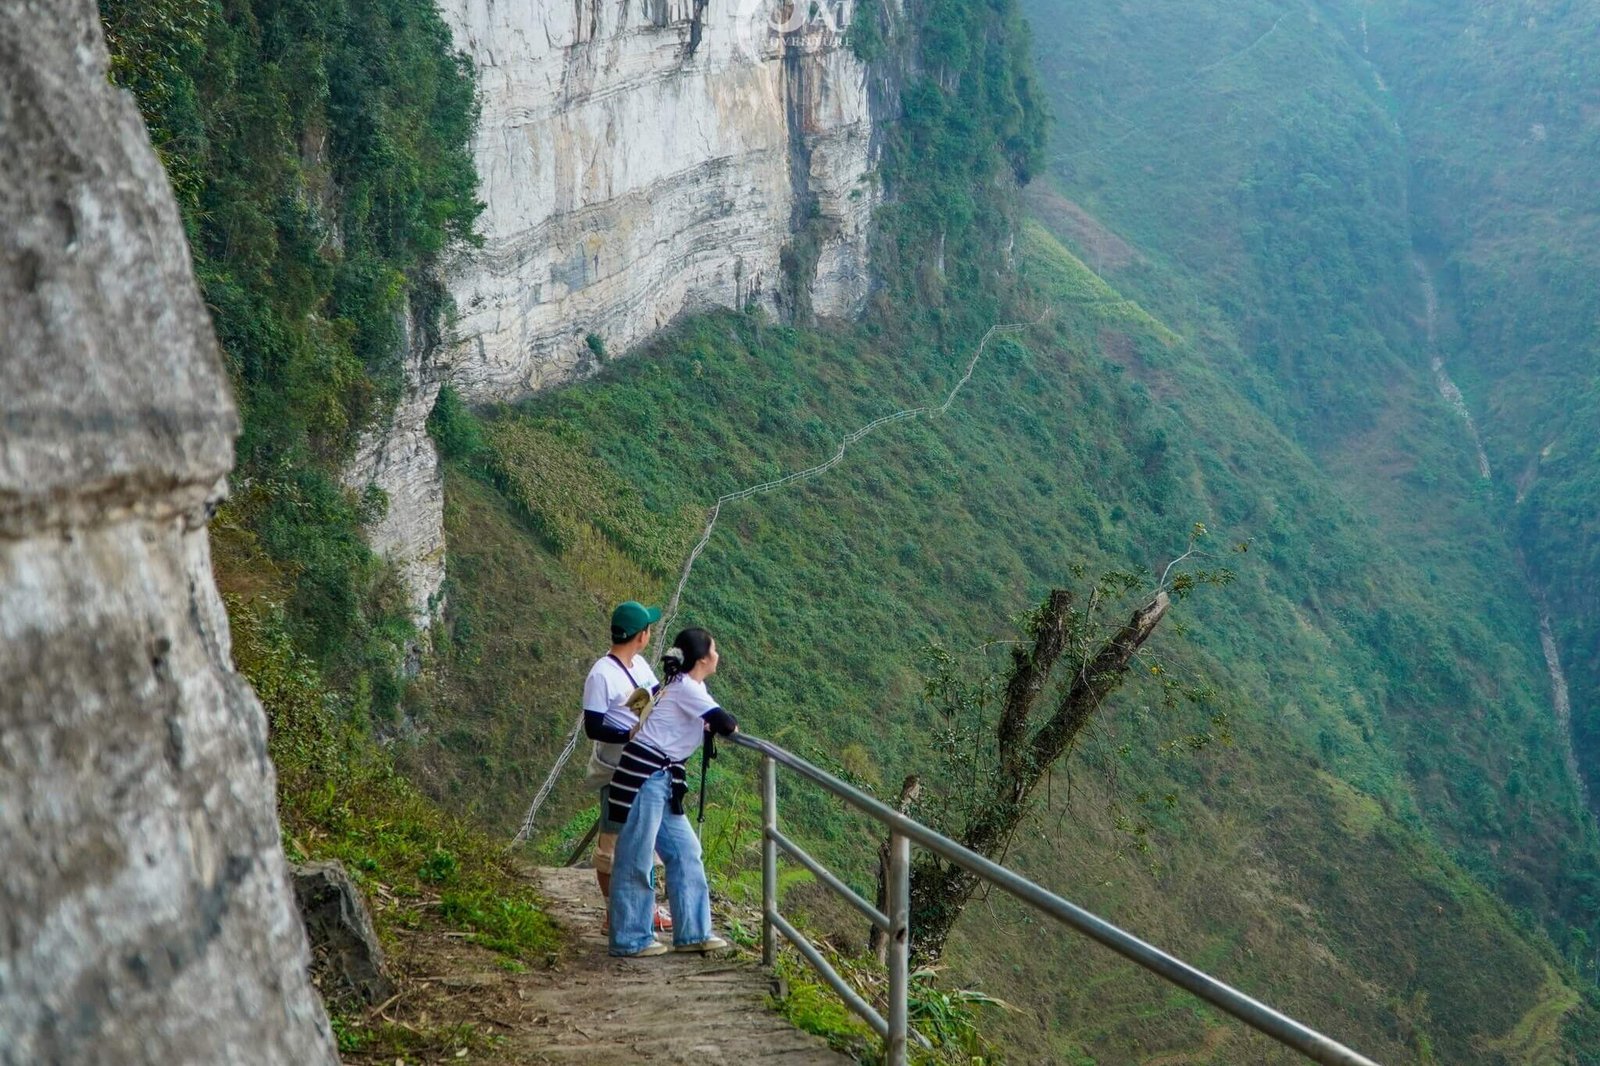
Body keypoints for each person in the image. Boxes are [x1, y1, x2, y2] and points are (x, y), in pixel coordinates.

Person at [607, 627, 738, 957]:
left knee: (686, 852)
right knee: (636, 855)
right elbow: (725, 722)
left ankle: (693, 932)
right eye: (715, 650)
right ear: (703, 658)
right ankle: (629, 939)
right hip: (644, 776)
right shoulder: (686, 689)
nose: (718, 655)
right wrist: (716, 724)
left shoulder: (686, 686)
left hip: (662, 778)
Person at [581, 600, 671, 933]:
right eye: (648, 628)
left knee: (644, 842)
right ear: (641, 635)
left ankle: (644, 910)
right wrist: (627, 733)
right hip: (617, 770)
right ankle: (614, 913)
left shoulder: (640, 667)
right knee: (611, 844)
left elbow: (658, 697)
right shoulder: (601, 674)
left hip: (645, 765)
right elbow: (593, 726)